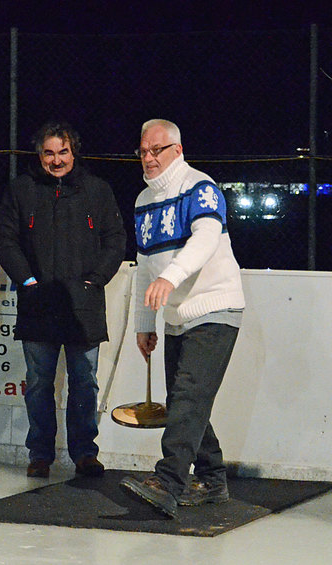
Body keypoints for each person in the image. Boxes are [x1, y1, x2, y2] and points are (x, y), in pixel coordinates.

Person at [120, 119, 245, 518]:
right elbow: (143, 265)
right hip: (175, 315)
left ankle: (168, 482)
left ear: (177, 149)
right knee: (183, 401)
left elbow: (206, 239)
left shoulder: (200, 187)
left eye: (157, 150)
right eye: (143, 151)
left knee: (189, 396)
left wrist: (169, 278)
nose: (149, 158)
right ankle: (211, 479)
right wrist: (144, 323)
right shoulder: (142, 201)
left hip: (215, 307)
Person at [0, 122, 126, 478]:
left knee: (85, 382)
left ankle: (84, 453)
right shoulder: (22, 190)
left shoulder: (97, 190)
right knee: (38, 384)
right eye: (49, 153)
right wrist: (28, 280)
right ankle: (40, 454)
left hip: (84, 305)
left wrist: (95, 280)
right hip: (39, 303)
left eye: (63, 152)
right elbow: (3, 239)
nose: (56, 160)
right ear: (39, 155)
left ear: (74, 152)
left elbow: (115, 239)